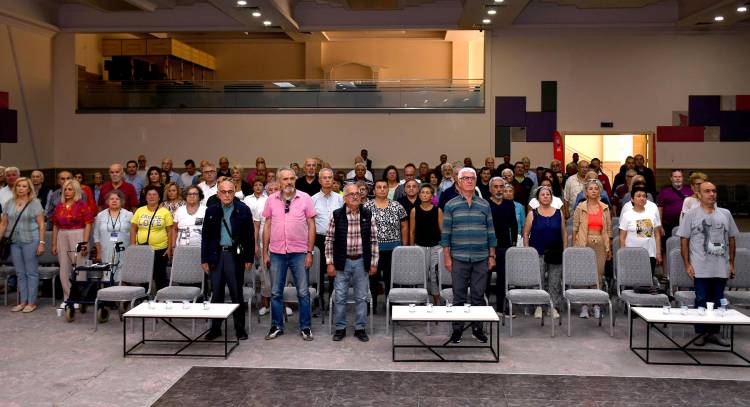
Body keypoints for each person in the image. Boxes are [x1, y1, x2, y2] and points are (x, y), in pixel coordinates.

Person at [676, 181, 738, 347]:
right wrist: (687, 264)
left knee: (718, 300)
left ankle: (714, 333)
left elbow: (732, 239)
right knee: (701, 300)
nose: (712, 194)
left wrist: (731, 264)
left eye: (714, 191)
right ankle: (701, 332)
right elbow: (684, 240)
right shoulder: (691, 214)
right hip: (700, 267)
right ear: (699, 194)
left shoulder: (725, 214)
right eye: (707, 191)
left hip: (721, 266)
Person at [441, 167, 497, 344]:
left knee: (478, 296)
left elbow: (491, 232)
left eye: (472, 178)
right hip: (458, 258)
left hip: (481, 258)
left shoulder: (484, 204)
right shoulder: (450, 205)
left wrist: (492, 255)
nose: (469, 181)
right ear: (458, 182)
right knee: (458, 296)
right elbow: (445, 234)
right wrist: (447, 257)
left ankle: (477, 329)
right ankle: (457, 330)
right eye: (465, 178)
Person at [263, 168, 316, 341]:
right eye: (285, 179)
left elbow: (311, 225)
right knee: (276, 292)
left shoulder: (305, 198)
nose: (289, 182)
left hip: (299, 252)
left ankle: (305, 327)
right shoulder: (271, 199)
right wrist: (265, 252)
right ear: (279, 181)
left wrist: (309, 252)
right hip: (277, 252)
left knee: (303, 292)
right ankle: (277, 326)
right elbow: (267, 226)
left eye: (292, 178)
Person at [201, 179, 253, 341]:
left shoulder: (243, 209)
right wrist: (204, 259)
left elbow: (249, 236)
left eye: (230, 191)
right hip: (216, 256)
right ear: (218, 193)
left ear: (234, 192)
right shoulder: (211, 210)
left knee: (236, 293)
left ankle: (240, 329)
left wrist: (249, 258)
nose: (227, 195)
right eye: (223, 192)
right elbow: (205, 236)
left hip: (234, 257)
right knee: (216, 293)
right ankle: (215, 329)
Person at [326, 183, 378, 342]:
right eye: (351, 194)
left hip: (361, 262)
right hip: (342, 262)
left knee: (361, 298)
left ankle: (360, 328)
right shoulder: (336, 215)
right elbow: (329, 240)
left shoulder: (368, 214)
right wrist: (329, 262)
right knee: (340, 297)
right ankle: (340, 328)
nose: (355, 196)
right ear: (345, 198)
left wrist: (374, 263)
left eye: (357, 193)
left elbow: (374, 240)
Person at [0, 177, 45, 313]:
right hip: (14, 241)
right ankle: (22, 301)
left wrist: (41, 243)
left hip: (31, 240)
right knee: (20, 273)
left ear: (29, 189)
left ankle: (31, 302)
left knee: (31, 272)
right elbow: (3, 224)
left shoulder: (35, 203)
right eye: (19, 186)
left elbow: (41, 225)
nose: (21, 188)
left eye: (24, 186)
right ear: (15, 188)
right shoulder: (9, 203)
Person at [364, 180, 408, 312]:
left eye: (384, 187)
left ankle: (392, 305)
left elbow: (404, 226)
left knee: (392, 279)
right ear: (374, 191)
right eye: (379, 187)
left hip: (394, 250)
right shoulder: (367, 206)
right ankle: (372, 305)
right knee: (373, 279)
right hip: (374, 250)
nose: (382, 189)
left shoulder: (396, 206)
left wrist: (404, 246)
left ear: (388, 190)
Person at [523, 186, 566, 320]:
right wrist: (527, 251)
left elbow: (564, 233)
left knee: (554, 282)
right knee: (539, 281)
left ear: (551, 197)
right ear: (538, 198)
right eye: (543, 194)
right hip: (537, 252)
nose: (546, 196)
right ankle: (538, 306)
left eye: (548, 194)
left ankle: (553, 306)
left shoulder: (559, 213)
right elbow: (526, 234)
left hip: (556, 252)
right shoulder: (532, 214)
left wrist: (565, 250)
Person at [572, 179, 612, 319]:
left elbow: (609, 230)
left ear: (600, 191)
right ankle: (584, 306)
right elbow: (575, 229)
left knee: (598, 275)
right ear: (586, 192)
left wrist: (608, 248)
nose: (594, 191)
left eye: (596, 188)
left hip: (600, 243)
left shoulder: (605, 208)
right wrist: (575, 247)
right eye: (591, 189)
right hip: (583, 242)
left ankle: (596, 305)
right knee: (584, 274)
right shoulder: (580, 207)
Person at [51, 180, 94, 307]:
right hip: (62, 235)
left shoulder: (82, 205)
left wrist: (84, 243)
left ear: (76, 191)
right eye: (65, 189)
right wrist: (54, 243)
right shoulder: (59, 206)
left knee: (80, 268)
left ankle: (79, 297)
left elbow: (88, 224)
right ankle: (68, 297)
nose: (67, 192)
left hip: (78, 234)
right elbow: (55, 226)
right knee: (64, 268)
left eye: (70, 189)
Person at [311, 168, 344, 311]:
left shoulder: (340, 198)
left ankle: (333, 300)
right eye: (324, 178)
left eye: (330, 177)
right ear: (319, 180)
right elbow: (310, 223)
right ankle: (318, 302)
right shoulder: (312, 199)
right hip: (319, 239)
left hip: (336, 239)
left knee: (334, 272)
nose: (327, 180)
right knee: (317, 271)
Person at [131, 185, 174, 291]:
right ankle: (143, 297)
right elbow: (133, 229)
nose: (151, 197)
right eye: (149, 195)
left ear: (159, 198)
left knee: (160, 277)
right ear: (145, 197)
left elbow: (170, 231)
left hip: (160, 249)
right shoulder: (140, 211)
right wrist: (133, 246)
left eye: (154, 194)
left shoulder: (165, 212)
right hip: (142, 249)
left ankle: (161, 298)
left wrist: (169, 248)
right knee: (143, 276)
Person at [487, 177, 517, 315]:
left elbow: (514, 224)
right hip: (487, 246)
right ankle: (484, 308)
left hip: (505, 245)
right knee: (485, 278)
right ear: (490, 189)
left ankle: (501, 308)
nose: (499, 189)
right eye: (496, 187)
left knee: (503, 277)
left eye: (501, 187)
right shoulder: (485, 204)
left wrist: (514, 243)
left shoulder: (509, 204)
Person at [243, 179, 274, 316]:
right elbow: (256, 226)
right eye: (270, 190)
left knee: (281, 277)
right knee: (264, 276)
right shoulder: (262, 204)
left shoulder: (285, 203)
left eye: (276, 189)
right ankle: (265, 305)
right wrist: (255, 244)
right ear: (267, 191)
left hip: (281, 247)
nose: (273, 192)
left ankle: (282, 306)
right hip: (263, 246)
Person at [409, 183, 442, 305]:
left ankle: (436, 299)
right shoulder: (414, 211)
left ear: (432, 196)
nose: (425, 195)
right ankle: (420, 300)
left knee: (434, 274)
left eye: (427, 193)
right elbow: (412, 232)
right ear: (419, 195)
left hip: (436, 247)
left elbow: (442, 230)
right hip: (419, 247)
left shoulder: (438, 210)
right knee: (420, 274)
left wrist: (445, 248)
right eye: (422, 192)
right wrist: (412, 249)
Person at [619, 185, 662, 277]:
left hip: (649, 254)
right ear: (632, 199)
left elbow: (657, 235)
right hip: (631, 254)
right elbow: (622, 237)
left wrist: (658, 252)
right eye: (638, 196)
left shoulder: (652, 214)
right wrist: (623, 254)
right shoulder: (627, 215)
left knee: (647, 281)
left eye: (644, 196)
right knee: (632, 279)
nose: (642, 198)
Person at [93, 190, 132, 281]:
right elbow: (96, 235)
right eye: (111, 199)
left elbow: (133, 233)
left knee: (122, 277)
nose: (114, 201)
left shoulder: (129, 215)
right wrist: (98, 252)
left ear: (122, 201)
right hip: (105, 251)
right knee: (107, 277)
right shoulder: (100, 215)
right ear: (107, 201)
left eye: (117, 199)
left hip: (124, 250)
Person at [657, 169, 692, 239]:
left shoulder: (690, 190)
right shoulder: (664, 191)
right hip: (668, 226)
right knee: (669, 244)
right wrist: (660, 226)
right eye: (675, 177)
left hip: (686, 224)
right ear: (671, 178)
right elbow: (660, 209)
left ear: (683, 178)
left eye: (680, 177)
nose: (678, 178)